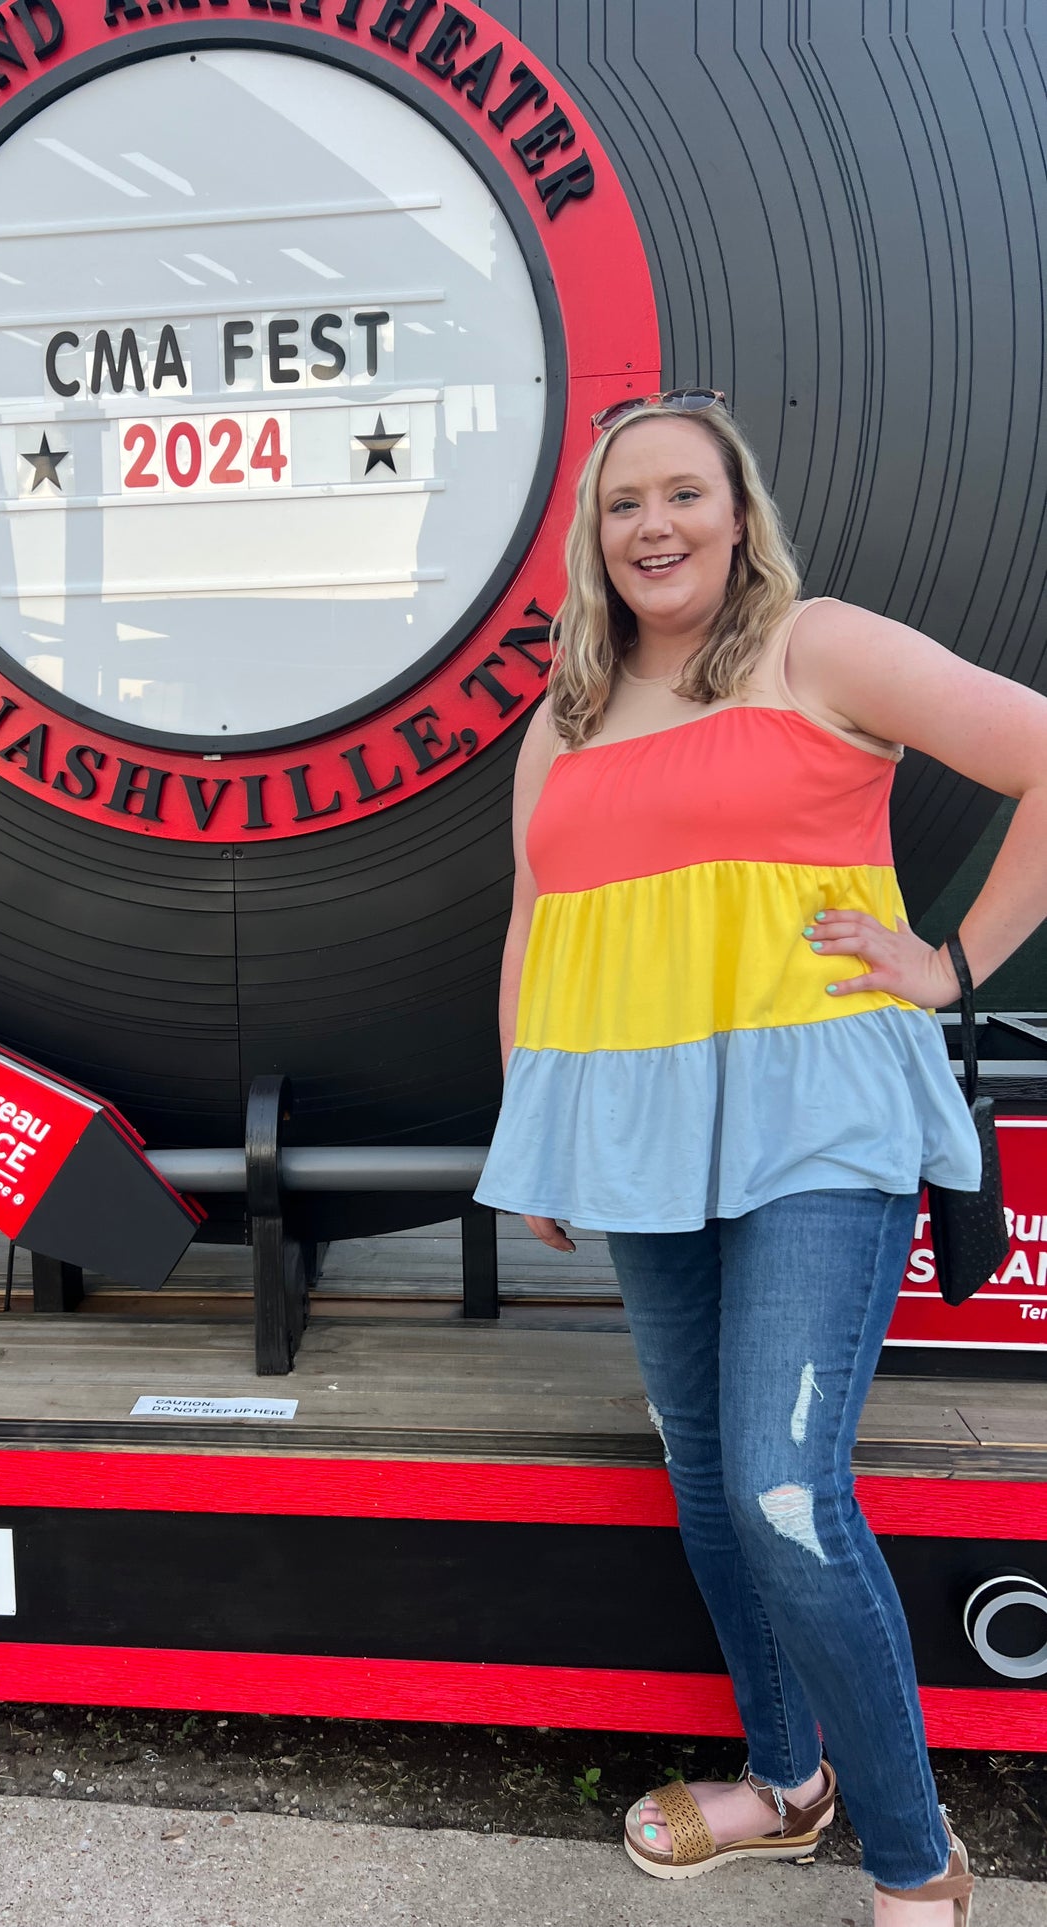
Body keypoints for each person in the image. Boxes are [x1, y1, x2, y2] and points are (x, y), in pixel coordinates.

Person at [474, 389, 1047, 1927]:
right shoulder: (570, 712)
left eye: (682, 495)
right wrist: (538, 1123)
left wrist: (950, 964)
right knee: (712, 1485)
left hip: (818, 1125)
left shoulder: (819, 648)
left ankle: (919, 1868)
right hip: (642, 1143)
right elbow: (539, 927)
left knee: (788, 1496)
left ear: (737, 514)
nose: (653, 527)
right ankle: (784, 1784)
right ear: (593, 540)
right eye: (622, 505)